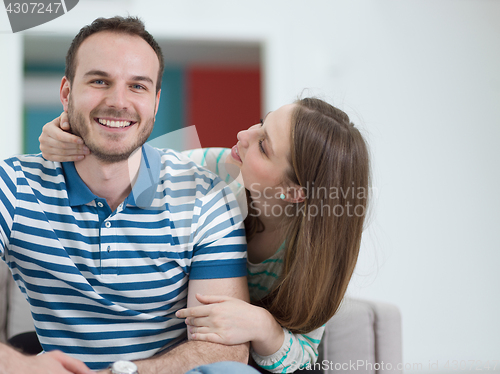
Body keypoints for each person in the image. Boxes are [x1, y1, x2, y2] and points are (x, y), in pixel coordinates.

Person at [40, 96, 371, 373]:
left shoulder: (316, 258)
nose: (244, 133)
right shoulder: (217, 167)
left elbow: (303, 354)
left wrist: (261, 326)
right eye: (261, 122)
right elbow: (131, 165)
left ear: (294, 192)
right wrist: (72, 136)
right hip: (173, 340)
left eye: (263, 146)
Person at [0, 16, 253, 374]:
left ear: (155, 101)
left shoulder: (205, 196)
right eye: (100, 81)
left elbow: (224, 350)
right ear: (67, 93)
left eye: (138, 86)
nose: (118, 102)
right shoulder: (12, 186)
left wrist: (120, 373)